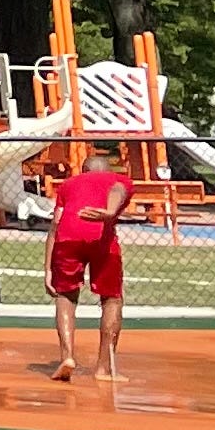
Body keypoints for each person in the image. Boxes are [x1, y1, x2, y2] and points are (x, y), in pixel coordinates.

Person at [45, 138, 132, 381]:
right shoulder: (120, 179)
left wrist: (48, 269)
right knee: (112, 298)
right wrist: (110, 212)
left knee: (66, 295)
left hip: (68, 237)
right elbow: (118, 190)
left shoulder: (68, 185)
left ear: (83, 171)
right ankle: (104, 368)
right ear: (108, 170)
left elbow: (55, 225)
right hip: (101, 237)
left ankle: (67, 356)